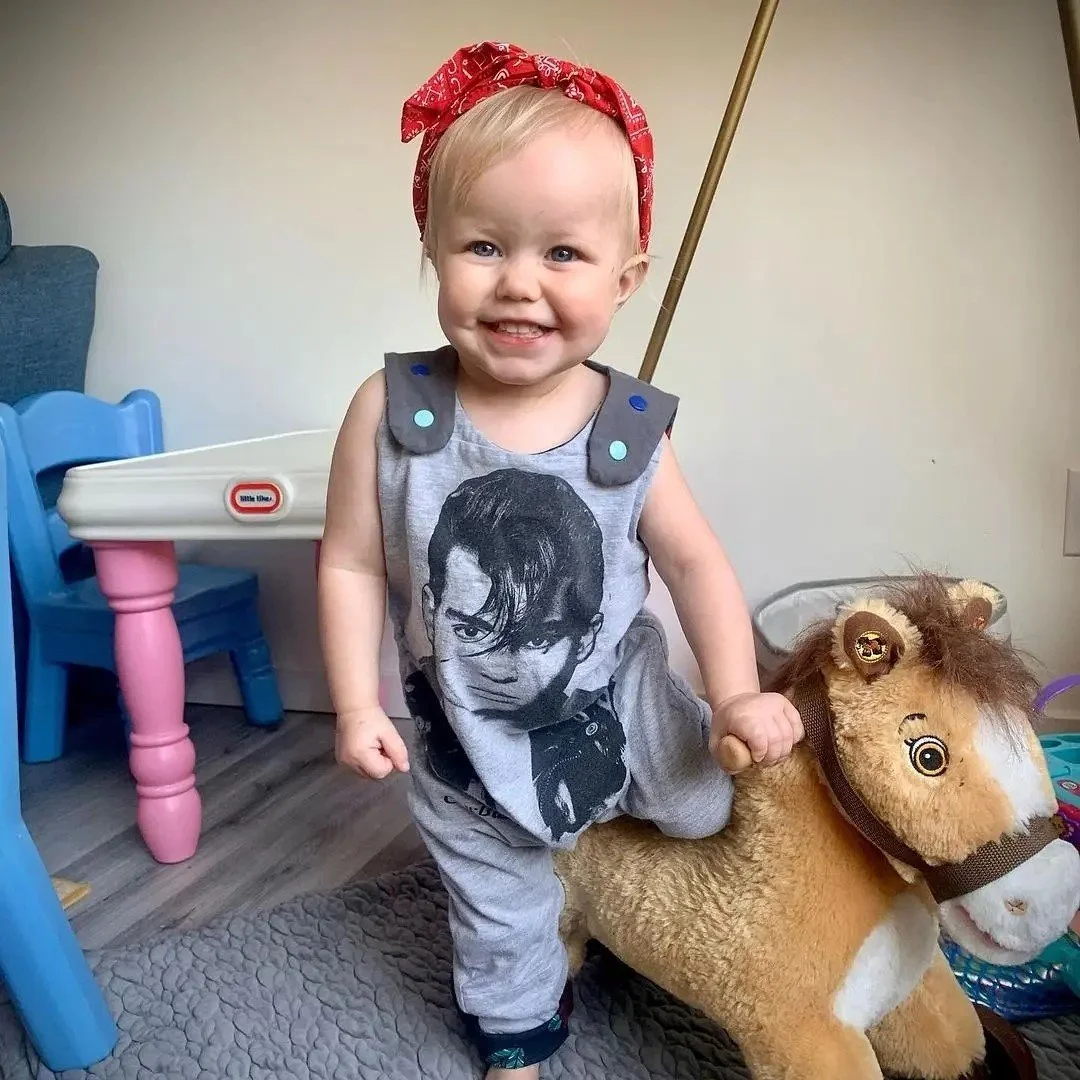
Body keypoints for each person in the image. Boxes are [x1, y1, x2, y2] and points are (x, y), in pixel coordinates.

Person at [317, 41, 804, 1079]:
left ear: (626, 280)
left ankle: (619, 877)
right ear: (432, 249)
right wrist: (357, 705)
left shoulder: (628, 429)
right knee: (499, 904)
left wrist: (732, 697)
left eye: (564, 256)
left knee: (709, 807)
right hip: (466, 730)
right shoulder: (392, 412)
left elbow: (697, 567)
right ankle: (520, 1031)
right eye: (484, 247)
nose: (519, 286)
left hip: (617, 702)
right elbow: (353, 565)